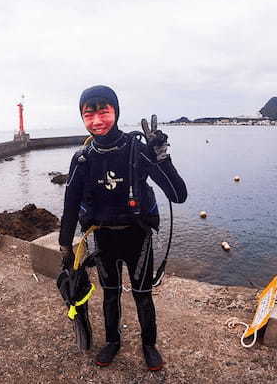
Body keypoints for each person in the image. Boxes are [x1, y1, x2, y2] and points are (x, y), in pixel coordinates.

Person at [59, 85, 187, 370]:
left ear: (116, 112)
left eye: (103, 111)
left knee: (143, 295)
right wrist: (65, 244)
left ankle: (149, 345)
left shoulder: (136, 150)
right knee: (110, 293)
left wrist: (162, 155)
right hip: (103, 238)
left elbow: (178, 195)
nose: (97, 120)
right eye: (88, 114)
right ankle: (112, 341)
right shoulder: (83, 158)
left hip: (137, 236)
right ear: (82, 118)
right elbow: (70, 205)